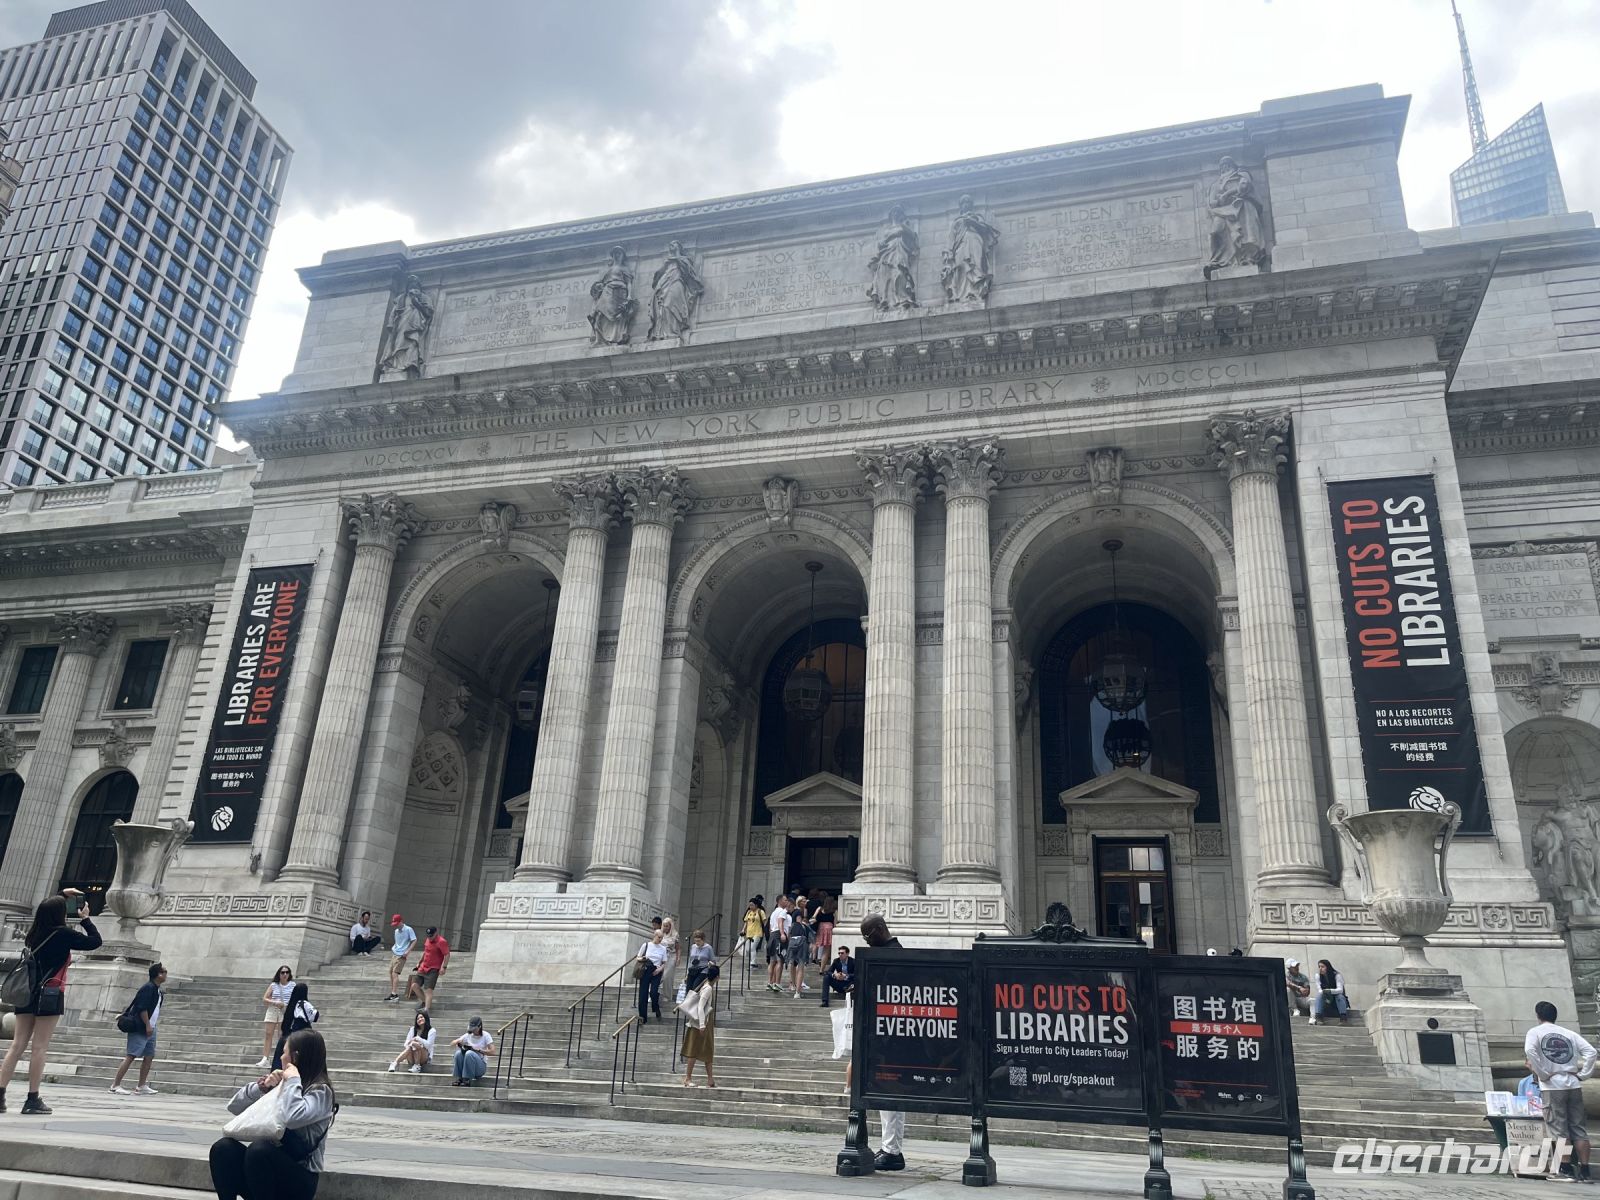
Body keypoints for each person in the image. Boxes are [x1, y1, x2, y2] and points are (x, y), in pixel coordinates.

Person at [0, 890, 101, 1114]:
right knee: (40, 1047)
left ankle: (0, 1094)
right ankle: (32, 1099)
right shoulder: (64, 934)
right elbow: (95, 942)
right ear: (60, 914)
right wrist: (85, 919)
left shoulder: (34, 934)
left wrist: (61, 894)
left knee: (17, 1045)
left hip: (26, 993)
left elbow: (48, 908)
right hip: (50, 994)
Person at [210, 1028, 336, 1200]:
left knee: (259, 1150)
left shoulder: (321, 1092)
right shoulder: (285, 1085)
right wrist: (262, 1087)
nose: (281, 1058)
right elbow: (235, 1107)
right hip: (264, 1175)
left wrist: (292, 1081)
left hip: (299, 1179)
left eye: (284, 1053)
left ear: (295, 1057)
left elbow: (293, 1117)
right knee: (223, 1148)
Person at [1526, 1000, 1597, 1182]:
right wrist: (1584, 1074)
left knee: (1558, 1128)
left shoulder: (1535, 1032)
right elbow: (1591, 1052)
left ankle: (1565, 1170)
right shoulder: (1569, 1033)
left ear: (1538, 1016)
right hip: (1573, 1083)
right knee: (1579, 1128)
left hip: (1552, 1085)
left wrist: (1542, 1073)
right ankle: (1585, 1171)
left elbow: (1530, 1051)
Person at [860, 913, 906, 1171]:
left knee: (891, 1094)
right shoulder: (888, 953)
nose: (867, 942)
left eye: (868, 936)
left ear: (879, 929)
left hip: (892, 1037)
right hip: (886, 1034)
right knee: (887, 1095)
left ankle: (892, 1150)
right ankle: (890, 1147)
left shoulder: (893, 955)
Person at [109, 962, 166, 1095]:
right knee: (131, 1055)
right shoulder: (148, 988)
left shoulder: (158, 990)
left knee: (149, 1055)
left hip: (151, 1027)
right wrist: (147, 1025)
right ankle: (115, 1085)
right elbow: (142, 1008)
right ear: (158, 974)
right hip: (141, 1027)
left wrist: (151, 1026)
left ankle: (141, 1085)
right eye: (164, 972)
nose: (166, 974)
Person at [679, 963, 718, 1089]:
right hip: (700, 1023)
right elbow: (701, 1007)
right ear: (717, 977)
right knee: (694, 1050)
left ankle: (710, 1079)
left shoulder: (706, 985)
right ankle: (687, 1078)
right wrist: (702, 1025)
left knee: (708, 1049)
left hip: (705, 1022)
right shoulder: (708, 989)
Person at [273, 983, 318, 1071]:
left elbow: (285, 1024)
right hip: (301, 1037)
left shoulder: (291, 1006)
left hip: (287, 1036)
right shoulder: (303, 1004)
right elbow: (315, 1015)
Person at [405, 927, 450, 1010]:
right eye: (428, 936)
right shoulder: (427, 940)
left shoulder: (441, 942)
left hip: (433, 968)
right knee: (414, 985)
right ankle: (425, 1002)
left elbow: (447, 954)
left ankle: (426, 1009)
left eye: (431, 936)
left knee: (428, 990)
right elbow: (426, 952)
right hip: (423, 967)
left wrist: (444, 967)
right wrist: (419, 962)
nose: (430, 938)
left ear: (436, 933)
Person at [259, 966, 295, 1068]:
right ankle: (265, 1058)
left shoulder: (292, 985)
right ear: (279, 974)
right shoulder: (274, 985)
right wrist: (275, 1002)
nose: (285, 975)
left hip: (285, 1010)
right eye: (282, 972)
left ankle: (281, 1059)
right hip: (273, 1009)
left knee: (281, 1035)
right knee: (268, 1033)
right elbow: (265, 998)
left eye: (287, 972)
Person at [450, 1017, 495, 1087]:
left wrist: (479, 1050)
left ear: (479, 1027)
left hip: (480, 1066)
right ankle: (460, 1078)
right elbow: (452, 1043)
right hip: (468, 1064)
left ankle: (467, 1079)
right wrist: (457, 1042)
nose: (473, 1031)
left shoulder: (486, 1035)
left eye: (475, 1029)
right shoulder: (468, 1035)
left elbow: (493, 1052)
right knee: (458, 1054)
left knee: (469, 1053)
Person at [388, 1009, 436, 1075]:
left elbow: (428, 1045)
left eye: (421, 1017)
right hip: (412, 1057)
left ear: (426, 1018)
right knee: (411, 1046)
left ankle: (417, 1066)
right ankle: (394, 1063)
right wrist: (411, 1043)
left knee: (416, 1044)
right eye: (418, 1019)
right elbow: (406, 1043)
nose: (420, 1019)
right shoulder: (413, 1029)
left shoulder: (432, 1030)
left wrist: (418, 1039)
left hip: (424, 1058)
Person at [636, 930, 669, 1023]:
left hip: (657, 971)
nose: (660, 939)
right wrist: (643, 958)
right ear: (654, 936)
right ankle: (643, 1017)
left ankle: (656, 1007)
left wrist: (659, 969)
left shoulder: (663, 948)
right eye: (659, 937)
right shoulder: (646, 945)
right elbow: (638, 957)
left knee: (654, 992)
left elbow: (664, 962)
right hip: (646, 970)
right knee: (643, 994)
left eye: (662, 938)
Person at [385, 914, 416, 1002]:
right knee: (390, 972)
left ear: (401, 921)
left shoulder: (408, 929)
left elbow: (414, 940)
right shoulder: (396, 931)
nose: (396, 925)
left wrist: (407, 951)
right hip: (395, 953)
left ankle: (394, 994)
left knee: (395, 973)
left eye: (397, 923)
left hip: (402, 955)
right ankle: (393, 992)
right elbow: (397, 942)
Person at [1308, 959, 1348, 1025]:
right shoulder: (1317, 976)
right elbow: (1320, 990)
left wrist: (1329, 991)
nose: (1320, 969)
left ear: (1328, 967)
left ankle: (1343, 1018)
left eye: (1322, 967)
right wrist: (1325, 993)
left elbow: (1340, 990)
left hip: (1337, 1002)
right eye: (1319, 967)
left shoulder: (1337, 975)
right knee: (1319, 995)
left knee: (1339, 996)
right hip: (1327, 1001)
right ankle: (1318, 1017)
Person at [787, 901, 813, 999]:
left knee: (792, 963)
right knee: (801, 966)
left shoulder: (791, 922)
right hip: (802, 941)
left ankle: (793, 985)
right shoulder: (798, 916)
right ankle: (797, 991)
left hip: (793, 941)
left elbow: (789, 934)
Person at [766, 895, 791, 992]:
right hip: (779, 935)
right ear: (780, 901)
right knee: (780, 959)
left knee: (772, 961)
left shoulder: (773, 913)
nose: (787, 901)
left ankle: (770, 982)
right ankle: (777, 983)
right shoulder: (783, 911)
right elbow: (780, 921)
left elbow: (770, 927)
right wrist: (782, 934)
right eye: (785, 900)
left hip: (772, 935)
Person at [738, 899, 765, 972]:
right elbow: (746, 922)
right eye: (749, 905)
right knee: (747, 949)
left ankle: (752, 963)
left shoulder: (760, 912)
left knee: (752, 947)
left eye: (752, 905)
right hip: (749, 933)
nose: (750, 906)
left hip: (757, 932)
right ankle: (753, 963)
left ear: (756, 905)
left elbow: (764, 921)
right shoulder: (749, 912)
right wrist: (743, 930)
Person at [659, 917, 681, 1003]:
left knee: (667, 977)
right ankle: (654, 994)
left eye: (667, 926)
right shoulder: (660, 934)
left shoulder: (675, 935)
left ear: (670, 926)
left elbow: (678, 948)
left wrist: (678, 958)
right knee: (658, 976)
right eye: (663, 926)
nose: (665, 927)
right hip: (661, 957)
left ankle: (667, 996)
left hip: (671, 956)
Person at [814, 898, 835, 966]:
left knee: (821, 944)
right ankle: (822, 968)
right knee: (827, 948)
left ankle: (819, 958)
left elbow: (814, 917)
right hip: (829, 927)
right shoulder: (834, 911)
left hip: (821, 927)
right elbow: (835, 923)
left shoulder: (820, 908)